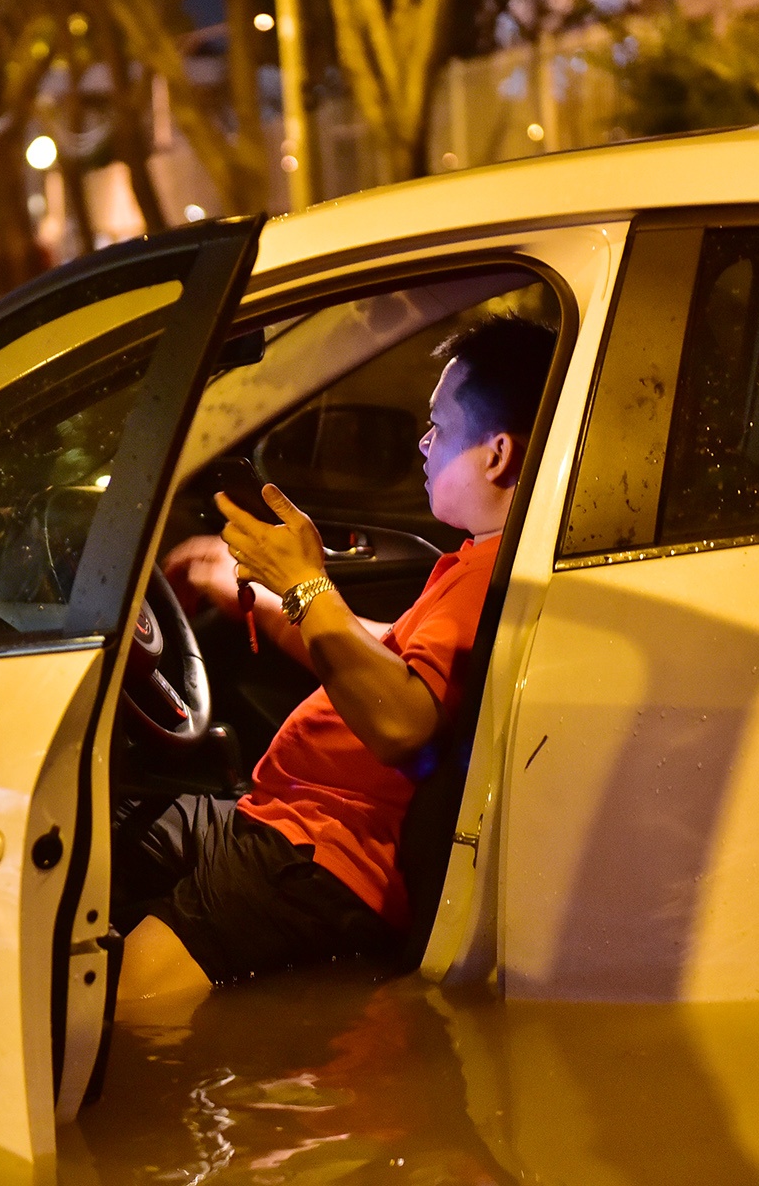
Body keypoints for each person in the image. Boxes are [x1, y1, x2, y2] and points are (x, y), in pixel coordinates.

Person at [114, 315, 558, 1002]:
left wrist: (304, 583)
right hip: (289, 819)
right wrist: (262, 599)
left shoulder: (492, 575)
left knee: (128, 1003)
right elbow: (382, 656)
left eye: (439, 426)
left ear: (498, 454)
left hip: (321, 853)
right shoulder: (479, 561)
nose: (422, 440)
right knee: (111, 838)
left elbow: (404, 721)